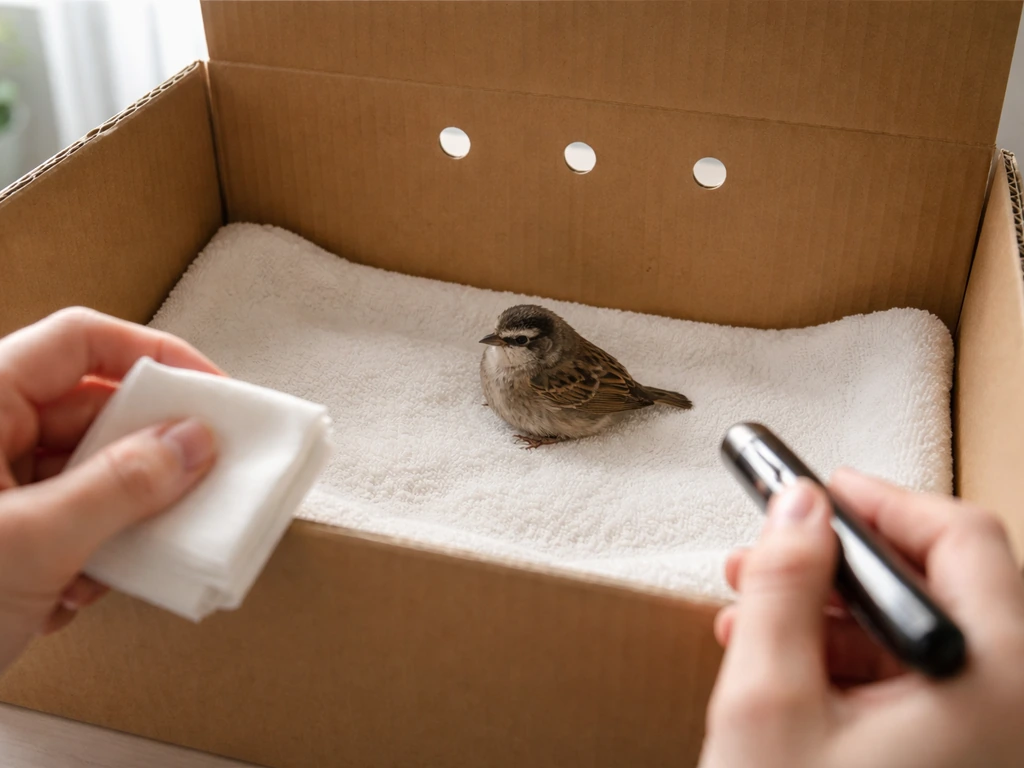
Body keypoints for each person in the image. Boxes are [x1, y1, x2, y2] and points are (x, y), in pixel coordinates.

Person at [1, 309, 1022, 767]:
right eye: (500, 337)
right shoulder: (498, 364)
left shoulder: (553, 377)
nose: (498, 352)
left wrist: (612, 401)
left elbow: (593, 386)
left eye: (517, 343)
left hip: (604, 412)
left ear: (539, 349)